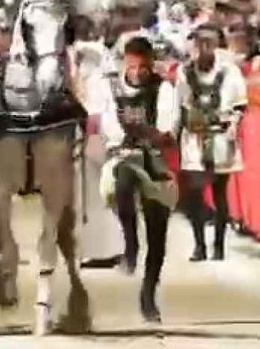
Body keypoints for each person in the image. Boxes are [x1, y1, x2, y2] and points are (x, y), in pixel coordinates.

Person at [93, 36, 179, 324]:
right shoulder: (110, 86)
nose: (139, 72)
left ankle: (148, 295)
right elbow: (107, 125)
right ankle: (130, 244)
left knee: (158, 232)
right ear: (125, 62)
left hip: (156, 160)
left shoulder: (163, 88)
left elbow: (167, 129)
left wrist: (150, 133)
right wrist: (129, 136)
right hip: (124, 155)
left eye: (144, 66)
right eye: (134, 65)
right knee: (124, 178)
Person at [176, 24, 247, 262]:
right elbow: (181, 104)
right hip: (195, 137)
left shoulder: (230, 71)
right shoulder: (184, 72)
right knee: (195, 193)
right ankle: (199, 245)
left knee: (219, 193)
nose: (202, 50)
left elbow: (239, 104)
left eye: (207, 44)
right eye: (199, 45)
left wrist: (234, 126)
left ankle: (218, 245)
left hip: (220, 136)